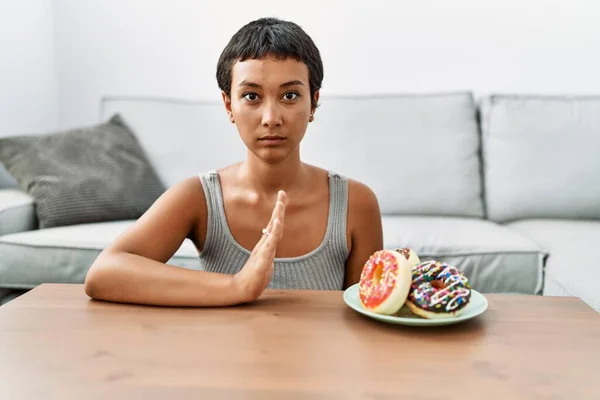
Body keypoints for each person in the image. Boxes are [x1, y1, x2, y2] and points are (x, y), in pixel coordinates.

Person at [84, 17, 383, 307]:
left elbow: (366, 315)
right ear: (229, 105)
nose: (271, 119)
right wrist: (238, 286)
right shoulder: (199, 197)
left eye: (290, 95)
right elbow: (103, 273)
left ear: (313, 103)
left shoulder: (356, 204)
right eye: (251, 96)